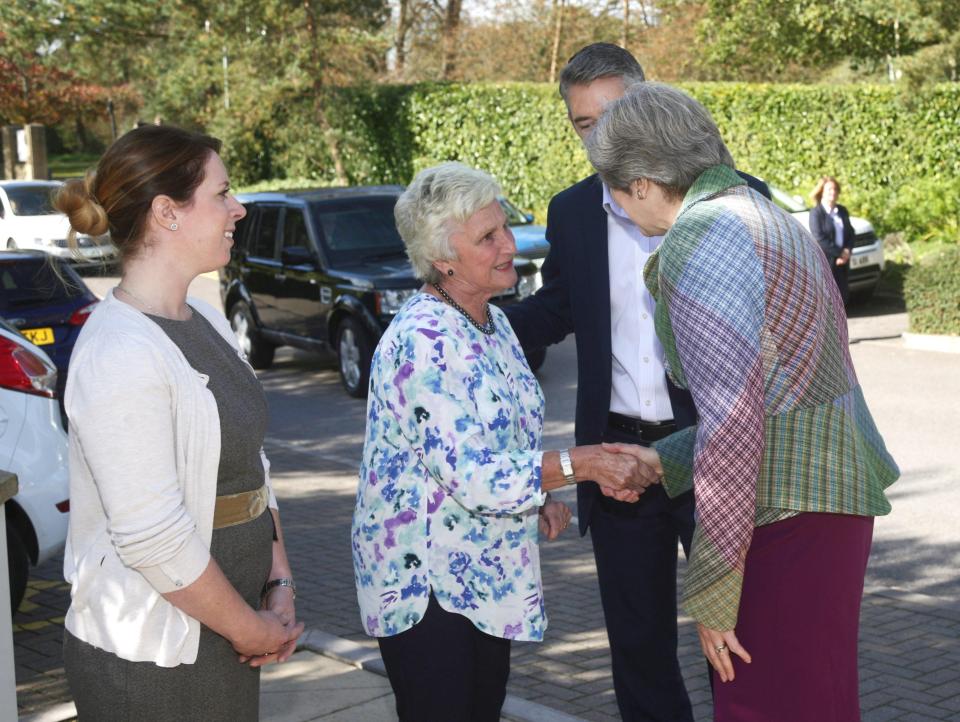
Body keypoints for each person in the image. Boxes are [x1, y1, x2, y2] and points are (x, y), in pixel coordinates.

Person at [585, 82, 900, 721]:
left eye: (611, 189)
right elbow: (771, 395)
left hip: (785, 514)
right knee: (819, 702)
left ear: (642, 182)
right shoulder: (756, 213)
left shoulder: (701, 240)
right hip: (826, 501)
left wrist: (713, 591)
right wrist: (663, 460)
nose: (614, 204)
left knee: (766, 705)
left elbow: (733, 424)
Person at [351, 161, 662, 722]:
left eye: (504, 228)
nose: (509, 246)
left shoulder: (489, 322)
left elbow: (499, 440)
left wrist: (539, 495)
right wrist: (582, 465)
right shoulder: (425, 339)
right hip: (427, 588)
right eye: (488, 237)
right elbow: (472, 474)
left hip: (480, 576)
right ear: (442, 259)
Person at [504, 42, 756, 721]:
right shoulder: (575, 211)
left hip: (712, 449)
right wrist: (474, 319)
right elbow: (558, 306)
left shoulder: (733, 201)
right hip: (616, 458)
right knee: (637, 644)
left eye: (611, 115)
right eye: (584, 124)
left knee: (733, 635)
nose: (599, 137)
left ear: (648, 106)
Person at [55, 125, 304, 721]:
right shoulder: (119, 350)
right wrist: (251, 628)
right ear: (167, 212)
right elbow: (151, 535)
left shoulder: (206, 321)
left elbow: (251, 464)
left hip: (229, 628)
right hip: (152, 657)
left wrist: (280, 580)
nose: (238, 208)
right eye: (222, 194)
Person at [809, 175, 856, 304]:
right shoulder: (816, 213)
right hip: (827, 263)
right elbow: (819, 238)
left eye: (835, 189)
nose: (833, 192)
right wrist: (839, 253)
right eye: (829, 189)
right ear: (822, 192)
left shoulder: (842, 211)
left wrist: (847, 251)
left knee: (843, 299)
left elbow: (851, 233)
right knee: (829, 301)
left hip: (843, 263)